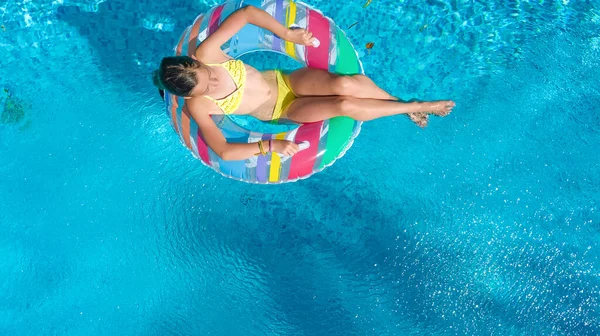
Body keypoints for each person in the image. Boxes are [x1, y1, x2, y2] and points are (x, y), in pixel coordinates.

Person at [153, 5, 455, 160]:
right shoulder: (199, 105)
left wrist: (289, 34)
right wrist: (270, 145)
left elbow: (246, 14)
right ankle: (417, 105)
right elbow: (224, 151)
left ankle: (405, 107)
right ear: (190, 95)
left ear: (196, 63)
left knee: (348, 84)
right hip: (282, 109)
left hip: (286, 79)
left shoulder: (207, 53)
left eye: (208, 75)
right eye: (205, 88)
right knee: (344, 104)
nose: (213, 82)